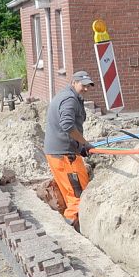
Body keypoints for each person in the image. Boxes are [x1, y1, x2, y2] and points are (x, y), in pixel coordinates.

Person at [44, 71, 95, 230]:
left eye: (88, 86)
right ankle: (69, 231)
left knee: (70, 193)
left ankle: (74, 224)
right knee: (79, 196)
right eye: (83, 85)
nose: (86, 89)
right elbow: (67, 125)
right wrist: (84, 143)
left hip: (59, 153)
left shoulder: (67, 96)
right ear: (74, 82)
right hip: (65, 156)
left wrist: (80, 147)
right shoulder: (69, 100)